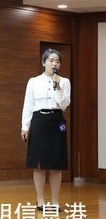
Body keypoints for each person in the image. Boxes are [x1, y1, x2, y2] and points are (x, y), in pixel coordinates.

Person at [21, 49, 71, 210]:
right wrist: (25, 126)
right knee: (39, 163)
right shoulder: (33, 81)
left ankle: (55, 201)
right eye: (51, 60)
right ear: (43, 63)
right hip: (39, 121)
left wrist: (58, 87)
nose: (54, 63)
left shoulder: (64, 81)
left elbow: (64, 105)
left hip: (57, 121)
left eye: (57, 61)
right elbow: (28, 105)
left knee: (56, 163)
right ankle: (40, 200)